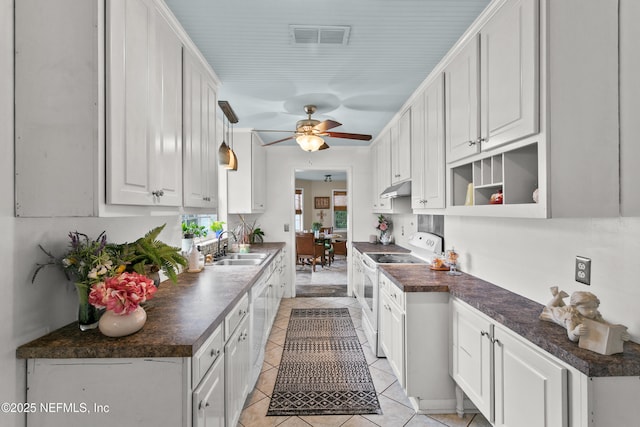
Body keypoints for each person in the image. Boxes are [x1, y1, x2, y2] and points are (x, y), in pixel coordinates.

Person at [540, 287, 630, 342]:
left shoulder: (594, 314)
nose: (592, 311)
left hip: (571, 309)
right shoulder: (571, 318)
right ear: (575, 307)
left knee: (564, 306)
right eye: (586, 308)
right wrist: (576, 332)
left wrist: (620, 334)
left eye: (594, 307)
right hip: (562, 315)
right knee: (551, 308)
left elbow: (606, 326)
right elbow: (571, 336)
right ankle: (557, 296)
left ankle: (559, 298)